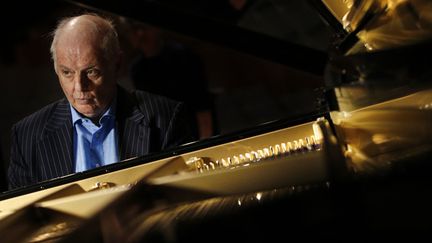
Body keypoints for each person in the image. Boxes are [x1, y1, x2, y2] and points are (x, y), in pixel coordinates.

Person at [7, 14, 197, 189]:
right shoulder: (26, 137)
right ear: (56, 70)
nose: (79, 87)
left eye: (91, 72)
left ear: (117, 64)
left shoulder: (166, 118)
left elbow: (182, 205)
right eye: (67, 73)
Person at [127, 22, 217, 139]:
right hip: (166, 137)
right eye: (135, 29)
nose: (140, 34)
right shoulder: (137, 69)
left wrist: (205, 140)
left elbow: (202, 103)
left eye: (144, 27)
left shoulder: (184, 56)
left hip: (193, 130)